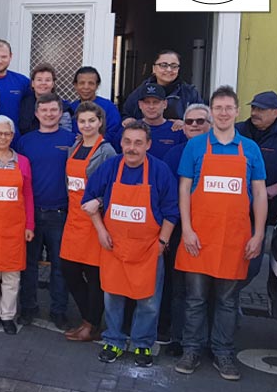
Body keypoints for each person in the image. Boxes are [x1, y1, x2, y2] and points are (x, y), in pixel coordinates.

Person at [174, 86, 267, 381]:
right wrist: (186, 229)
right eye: (218, 108)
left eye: (229, 108)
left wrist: (259, 234)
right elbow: (185, 189)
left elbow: (260, 194)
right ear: (212, 113)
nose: (224, 113)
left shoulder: (250, 149)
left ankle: (223, 353)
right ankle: (192, 350)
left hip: (235, 239)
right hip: (199, 238)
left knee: (227, 301)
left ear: (236, 111)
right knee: (195, 299)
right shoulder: (196, 146)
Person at [82, 121, 179, 368]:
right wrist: (100, 230)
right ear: (121, 143)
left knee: (148, 300)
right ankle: (113, 340)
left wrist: (162, 241)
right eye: (127, 142)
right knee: (113, 296)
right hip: (113, 245)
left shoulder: (160, 170)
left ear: (148, 144)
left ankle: (142, 344)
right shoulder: (110, 167)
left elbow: (171, 211)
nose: (131, 148)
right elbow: (88, 200)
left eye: (138, 143)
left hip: (148, 248)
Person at [15, 93, 78, 330]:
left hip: (61, 213)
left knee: (60, 267)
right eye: (44, 110)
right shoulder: (25, 141)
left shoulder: (72, 140)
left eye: (54, 110)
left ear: (60, 113)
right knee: (28, 265)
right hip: (30, 214)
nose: (49, 114)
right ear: (36, 113)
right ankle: (28, 308)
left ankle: (58, 311)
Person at [60, 101, 116, 342]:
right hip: (74, 218)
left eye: (91, 121)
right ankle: (88, 317)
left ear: (100, 122)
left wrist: (99, 203)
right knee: (68, 269)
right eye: (82, 121)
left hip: (95, 221)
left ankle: (91, 324)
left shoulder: (107, 151)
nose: (86, 125)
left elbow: (114, 187)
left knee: (94, 276)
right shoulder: (75, 146)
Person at [159, 103, 212, 354]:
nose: (194, 126)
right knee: (178, 285)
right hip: (180, 228)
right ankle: (178, 338)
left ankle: (207, 339)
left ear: (210, 124)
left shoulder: (223, 153)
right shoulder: (174, 154)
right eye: (189, 122)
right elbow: (166, 195)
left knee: (210, 288)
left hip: (213, 229)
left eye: (200, 121)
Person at [0, 115, 35, 335]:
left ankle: (8, 316)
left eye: (7, 133)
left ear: (12, 136)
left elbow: (28, 194)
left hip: (15, 227)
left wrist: (29, 224)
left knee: (12, 275)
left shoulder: (23, 162)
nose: (3, 137)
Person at [235, 91, 277, 292]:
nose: (255, 113)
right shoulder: (237, 131)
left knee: (253, 265)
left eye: (262, 109)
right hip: (237, 210)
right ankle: (229, 300)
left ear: (276, 112)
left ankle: (232, 297)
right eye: (254, 108)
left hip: (270, 213)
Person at [122, 50, 204, 125]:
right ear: (154, 68)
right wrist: (128, 120)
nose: (169, 69)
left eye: (174, 66)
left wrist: (185, 123)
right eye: (163, 65)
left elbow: (202, 120)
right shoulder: (141, 91)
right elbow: (126, 115)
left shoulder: (190, 93)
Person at [69, 66, 123, 151]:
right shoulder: (71, 108)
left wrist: (88, 139)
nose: (86, 87)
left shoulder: (108, 107)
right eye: (82, 83)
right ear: (75, 85)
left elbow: (114, 134)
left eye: (91, 83)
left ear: (97, 85)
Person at [135, 83, 186, 160]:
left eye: (156, 102)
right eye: (147, 102)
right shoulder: (130, 130)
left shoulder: (177, 130)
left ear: (165, 104)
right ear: (140, 105)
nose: (151, 107)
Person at [18, 63, 73, 134]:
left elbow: (65, 135)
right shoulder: (23, 104)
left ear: (53, 84)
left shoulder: (63, 107)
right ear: (32, 83)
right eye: (39, 80)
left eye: (47, 80)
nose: (43, 83)